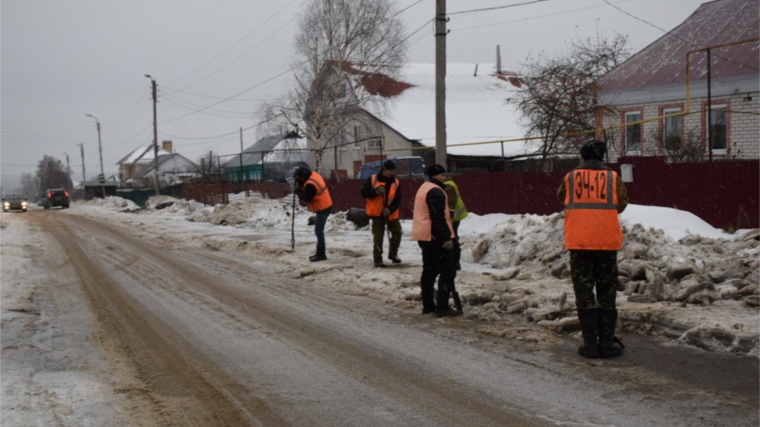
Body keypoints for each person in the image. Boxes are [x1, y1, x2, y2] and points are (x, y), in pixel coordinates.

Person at [557, 140, 628, 359]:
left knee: (584, 292)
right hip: (606, 242)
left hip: (579, 243)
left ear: (583, 157)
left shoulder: (569, 178)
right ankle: (606, 344)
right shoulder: (613, 178)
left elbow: (562, 198)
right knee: (607, 292)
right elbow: (622, 204)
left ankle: (590, 345)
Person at [411, 164, 461, 318]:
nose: (444, 178)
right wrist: (446, 238)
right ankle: (442, 306)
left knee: (429, 270)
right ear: (434, 176)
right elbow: (437, 218)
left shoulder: (424, 187)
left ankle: (428, 305)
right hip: (434, 237)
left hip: (424, 235)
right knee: (447, 271)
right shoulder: (435, 192)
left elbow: (430, 212)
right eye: (441, 175)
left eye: (445, 175)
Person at [360, 159, 403, 267]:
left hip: (391, 213)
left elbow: (398, 199)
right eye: (390, 171)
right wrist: (376, 191)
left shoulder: (396, 182)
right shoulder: (372, 179)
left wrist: (390, 209)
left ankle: (393, 254)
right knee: (378, 237)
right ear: (383, 170)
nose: (392, 173)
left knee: (397, 233)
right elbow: (364, 193)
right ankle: (378, 259)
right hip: (376, 213)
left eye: (393, 171)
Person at [293, 166, 333, 262]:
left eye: (299, 178)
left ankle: (321, 254)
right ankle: (320, 252)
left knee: (319, 231)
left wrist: (297, 191)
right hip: (326, 204)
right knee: (319, 230)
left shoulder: (310, 184)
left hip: (323, 207)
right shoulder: (314, 175)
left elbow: (307, 198)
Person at [443, 175, 468, 270]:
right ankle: (454, 261)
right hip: (454, 216)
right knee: (452, 237)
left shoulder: (448, 186)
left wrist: (448, 215)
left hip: (453, 217)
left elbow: (450, 203)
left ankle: (454, 261)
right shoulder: (448, 185)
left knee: (452, 238)